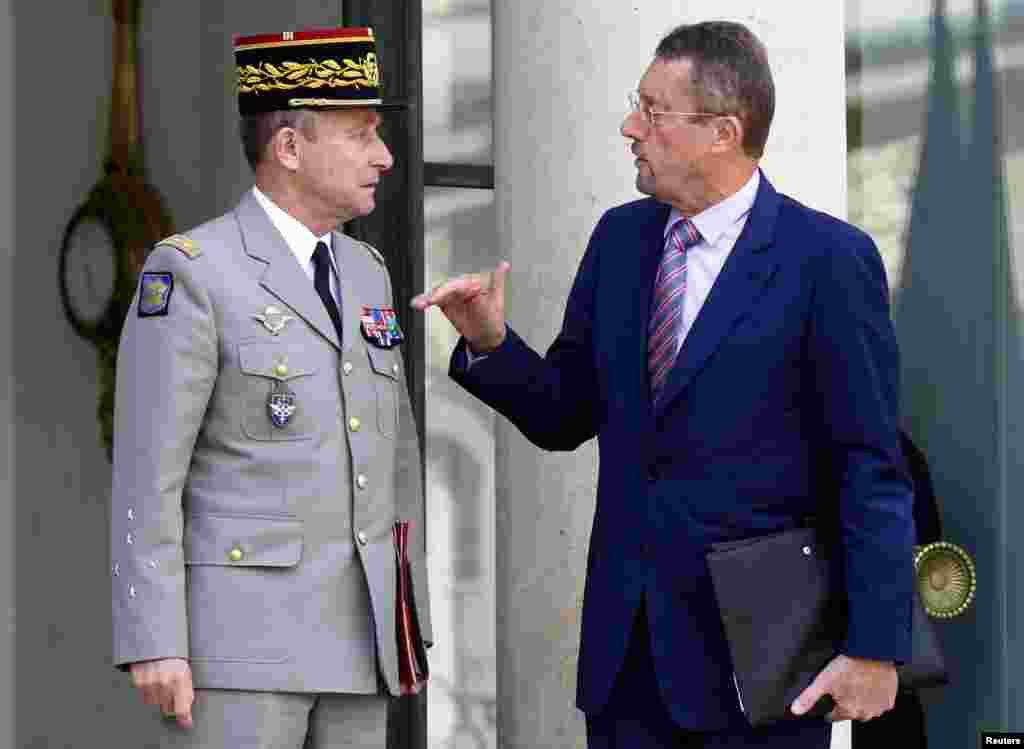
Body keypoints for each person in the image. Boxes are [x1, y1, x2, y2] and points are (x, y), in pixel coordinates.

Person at [413, 20, 912, 749]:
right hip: (628, 666)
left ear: (723, 132)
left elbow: (870, 467)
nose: (629, 127)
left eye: (652, 110)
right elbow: (564, 412)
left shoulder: (828, 262)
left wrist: (875, 647)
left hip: (761, 666)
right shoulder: (620, 241)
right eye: (634, 105)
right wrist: (491, 342)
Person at [109, 27, 430, 748]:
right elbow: (145, 474)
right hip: (238, 651)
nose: (383, 156)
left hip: (359, 643)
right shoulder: (192, 271)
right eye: (361, 134)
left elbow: (395, 462)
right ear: (288, 148)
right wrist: (153, 635)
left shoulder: (369, 270)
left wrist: (410, 623)